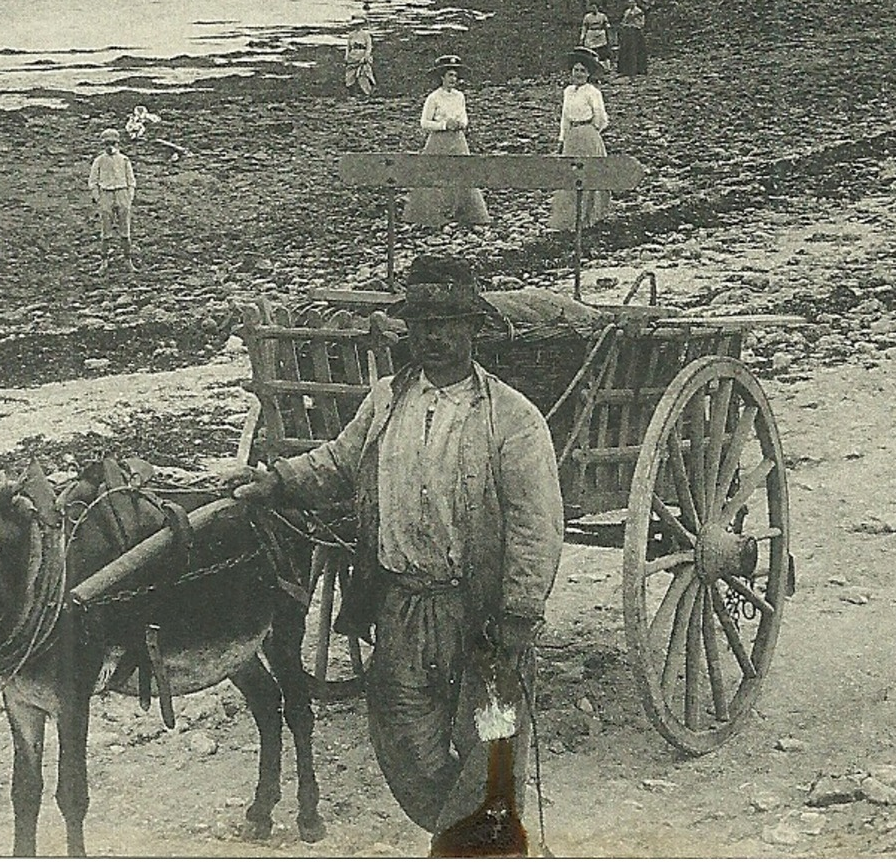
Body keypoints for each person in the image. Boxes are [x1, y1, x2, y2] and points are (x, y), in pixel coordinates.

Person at [233, 255, 563, 843]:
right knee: (405, 748)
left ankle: (474, 844)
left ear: (471, 330)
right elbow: (337, 462)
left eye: (447, 323)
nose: (433, 337)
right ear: (408, 330)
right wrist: (278, 481)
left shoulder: (513, 419)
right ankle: (468, 835)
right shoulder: (386, 400)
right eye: (422, 324)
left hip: (479, 613)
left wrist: (518, 616)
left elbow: (537, 527)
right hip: (402, 607)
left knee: (488, 742)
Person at [404, 55, 490, 230]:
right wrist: (444, 125)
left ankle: (465, 213)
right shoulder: (433, 98)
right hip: (439, 141)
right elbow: (424, 123)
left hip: (457, 140)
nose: (454, 79)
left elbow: (465, 118)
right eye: (450, 75)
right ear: (441, 77)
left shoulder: (460, 96)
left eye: (456, 76)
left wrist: (460, 124)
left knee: (463, 173)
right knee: (435, 174)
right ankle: (434, 214)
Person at [549, 48, 612, 232]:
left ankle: (591, 217)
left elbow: (601, 117)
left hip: (587, 134)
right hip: (572, 136)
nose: (578, 74)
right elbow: (564, 118)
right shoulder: (568, 91)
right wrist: (562, 139)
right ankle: (569, 218)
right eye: (576, 70)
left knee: (589, 175)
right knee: (570, 176)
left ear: (589, 74)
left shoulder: (592, 92)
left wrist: (591, 131)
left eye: (583, 71)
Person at [88, 128, 137, 270]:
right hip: (106, 195)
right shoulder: (99, 161)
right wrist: (99, 198)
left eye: (113, 143)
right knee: (105, 231)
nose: (110, 147)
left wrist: (129, 197)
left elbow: (131, 180)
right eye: (106, 143)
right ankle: (104, 261)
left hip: (122, 193)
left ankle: (128, 260)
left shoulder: (124, 160)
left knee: (125, 231)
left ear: (118, 143)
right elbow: (93, 181)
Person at [344, 5, 376, 99]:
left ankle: (366, 93)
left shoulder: (366, 35)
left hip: (362, 58)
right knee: (349, 77)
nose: (357, 26)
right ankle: (352, 94)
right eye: (356, 25)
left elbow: (369, 48)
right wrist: (346, 56)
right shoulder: (351, 35)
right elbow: (348, 47)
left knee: (364, 76)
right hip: (352, 57)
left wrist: (365, 57)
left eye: (359, 24)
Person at [617, 0, 648, 76]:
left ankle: (639, 69)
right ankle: (625, 69)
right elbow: (623, 21)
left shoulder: (639, 11)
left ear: (635, 3)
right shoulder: (627, 11)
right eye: (629, 3)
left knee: (637, 50)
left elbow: (641, 23)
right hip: (627, 32)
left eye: (632, 3)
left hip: (636, 32)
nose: (631, 4)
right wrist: (624, 25)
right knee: (626, 50)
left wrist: (635, 25)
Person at [579, 3, 613, 70]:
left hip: (600, 33)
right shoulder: (587, 16)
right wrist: (582, 36)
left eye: (595, 7)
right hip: (591, 33)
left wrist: (607, 27)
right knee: (591, 50)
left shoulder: (602, 15)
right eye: (592, 8)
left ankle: (605, 67)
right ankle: (593, 66)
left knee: (603, 51)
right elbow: (584, 27)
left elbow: (606, 24)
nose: (593, 9)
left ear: (597, 8)